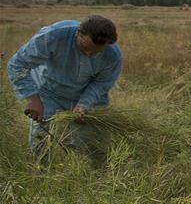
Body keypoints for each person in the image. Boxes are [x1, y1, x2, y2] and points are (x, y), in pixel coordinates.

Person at [6, 16, 123, 160]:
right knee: (40, 139)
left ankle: (95, 175)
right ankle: (41, 173)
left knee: (95, 142)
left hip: (84, 94)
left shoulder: (113, 56)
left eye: (96, 52)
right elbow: (18, 64)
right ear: (78, 33)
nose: (88, 54)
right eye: (85, 48)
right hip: (49, 91)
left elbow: (101, 84)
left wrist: (83, 105)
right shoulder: (53, 36)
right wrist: (32, 98)